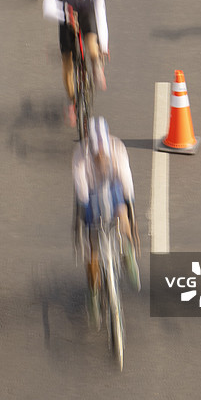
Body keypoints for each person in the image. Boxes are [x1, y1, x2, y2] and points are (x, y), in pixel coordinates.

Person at [73, 116, 140, 326]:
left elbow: (126, 186)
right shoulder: (80, 156)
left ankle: (127, 252)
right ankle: (93, 291)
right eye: (96, 151)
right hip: (91, 195)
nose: (100, 154)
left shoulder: (117, 148)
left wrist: (132, 221)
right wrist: (81, 227)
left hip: (114, 188)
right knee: (91, 249)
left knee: (123, 215)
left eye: (103, 150)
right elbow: (82, 194)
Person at [43, 0, 108, 127]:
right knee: (67, 63)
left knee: (91, 44)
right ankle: (72, 102)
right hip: (66, 14)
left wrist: (104, 44)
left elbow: (100, 15)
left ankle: (95, 64)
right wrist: (65, 14)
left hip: (87, 14)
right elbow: (47, 7)